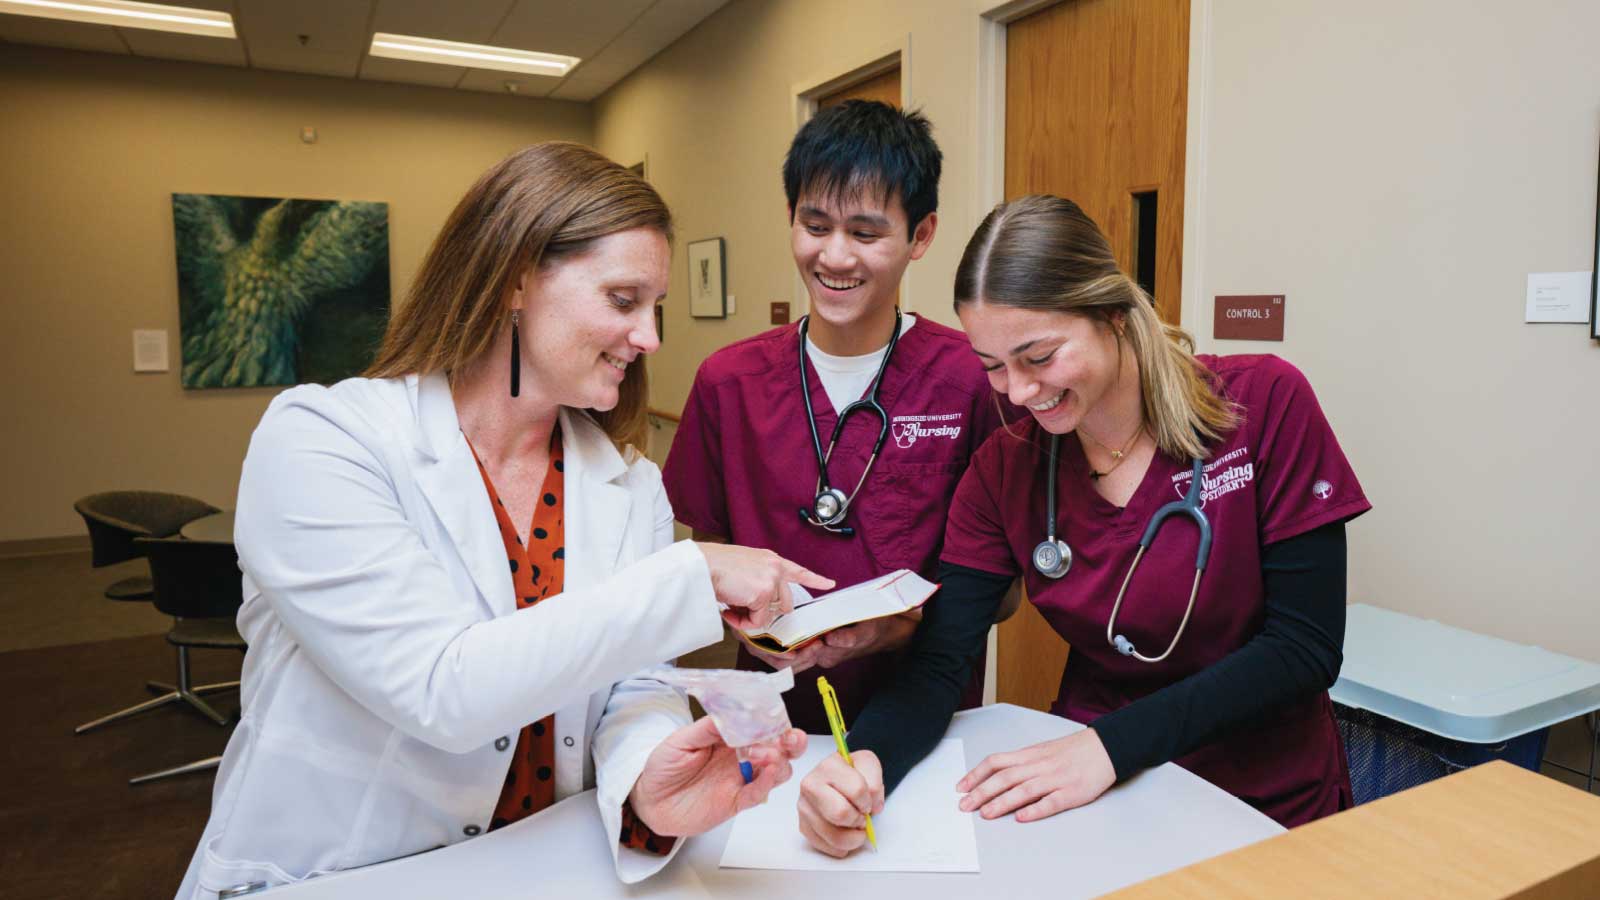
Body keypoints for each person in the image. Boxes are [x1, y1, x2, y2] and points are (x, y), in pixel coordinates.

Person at [176, 143, 828, 899]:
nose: (650, 338)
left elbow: (631, 687)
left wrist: (649, 779)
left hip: (538, 866)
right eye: (623, 300)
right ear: (516, 278)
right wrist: (694, 571)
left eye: (656, 309)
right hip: (336, 875)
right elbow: (441, 688)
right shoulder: (325, 442)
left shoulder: (630, 484)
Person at [798, 194, 1371, 857]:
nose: (1016, 392)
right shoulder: (1004, 472)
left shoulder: (1263, 404)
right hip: (1101, 799)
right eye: (991, 367)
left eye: (1038, 357)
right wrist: (868, 762)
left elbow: (1304, 650)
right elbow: (940, 662)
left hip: (1260, 797)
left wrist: (1110, 745)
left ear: (1113, 315)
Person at [663, 100, 1018, 736]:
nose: (834, 257)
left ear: (922, 235)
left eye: (865, 232)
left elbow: (1007, 590)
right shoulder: (728, 382)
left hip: (928, 711)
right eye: (815, 224)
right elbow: (707, 559)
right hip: (774, 716)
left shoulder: (973, 380)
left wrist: (895, 628)